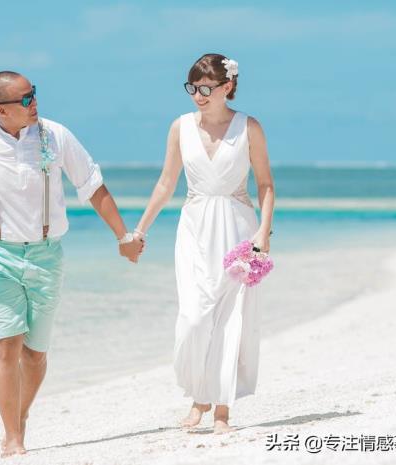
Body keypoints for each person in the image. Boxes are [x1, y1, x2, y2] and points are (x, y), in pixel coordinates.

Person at [0, 71, 143, 457]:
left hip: (46, 255)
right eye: (25, 99)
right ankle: (13, 437)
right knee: (6, 346)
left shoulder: (55, 135)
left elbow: (92, 186)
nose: (34, 102)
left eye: (34, 93)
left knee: (35, 354)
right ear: (0, 110)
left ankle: (20, 415)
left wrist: (123, 237)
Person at [134, 54, 275, 433]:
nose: (198, 95)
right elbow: (166, 183)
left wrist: (263, 232)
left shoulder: (249, 127)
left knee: (231, 319)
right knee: (194, 319)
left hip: (238, 229)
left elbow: (265, 184)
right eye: (193, 88)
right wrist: (140, 230)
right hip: (194, 229)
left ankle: (221, 410)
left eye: (206, 89)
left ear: (227, 87)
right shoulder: (180, 127)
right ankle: (198, 395)